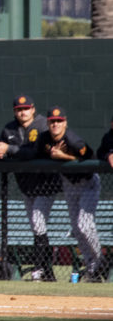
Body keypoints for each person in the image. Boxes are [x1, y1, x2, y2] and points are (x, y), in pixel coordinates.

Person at [0, 94, 61, 282]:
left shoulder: (42, 125)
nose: (23, 112)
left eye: (26, 108)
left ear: (33, 109)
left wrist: (9, 150)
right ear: (15, 111)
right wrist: (0, 153)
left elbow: (35, 151)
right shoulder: (9, 129)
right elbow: (3, 151)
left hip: (46, 183)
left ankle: (40, 269)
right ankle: (48, 272)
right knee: (36, 226)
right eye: (19, 109)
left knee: (38, 223)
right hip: (26, 185)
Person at [39, 106, 106, 282]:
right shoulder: (44, 139)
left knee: (84, 224)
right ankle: (92, 264)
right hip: (69, 184)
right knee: (77, 229)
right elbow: (34, 152)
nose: (55, 124)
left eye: (59, 121)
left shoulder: (73, 140)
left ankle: (101, 260)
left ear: (65, 122)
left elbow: (91, 158)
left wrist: (63, 157)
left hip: (88, 183)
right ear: (48, 123)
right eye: (52, 121)